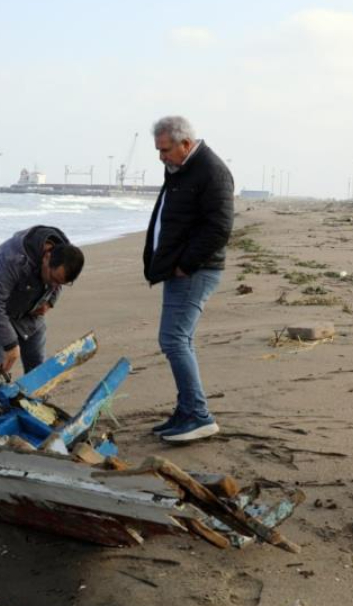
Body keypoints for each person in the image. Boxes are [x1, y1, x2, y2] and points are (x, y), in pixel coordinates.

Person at [144, 116, 234, 442]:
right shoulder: (180, 169)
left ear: (185, 143)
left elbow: (220, 228)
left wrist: (185, 264)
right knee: (181, 340)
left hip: (195, 271)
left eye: (165, 149)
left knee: (173, 340)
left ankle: (198, 415)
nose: (161, 157)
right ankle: (186, 411)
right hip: (180, 269)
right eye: (158, 150)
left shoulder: (212, 171)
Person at [0, 226, 84, 404]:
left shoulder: (65, 254)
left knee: (37, 368)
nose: (54, 285)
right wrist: (10, 345)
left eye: (60, 283)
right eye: (53, 279)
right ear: (47, 257)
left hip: (29, 313)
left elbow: (58, 282)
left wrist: (50, 302)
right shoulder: (13, 259)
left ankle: (38, 411)